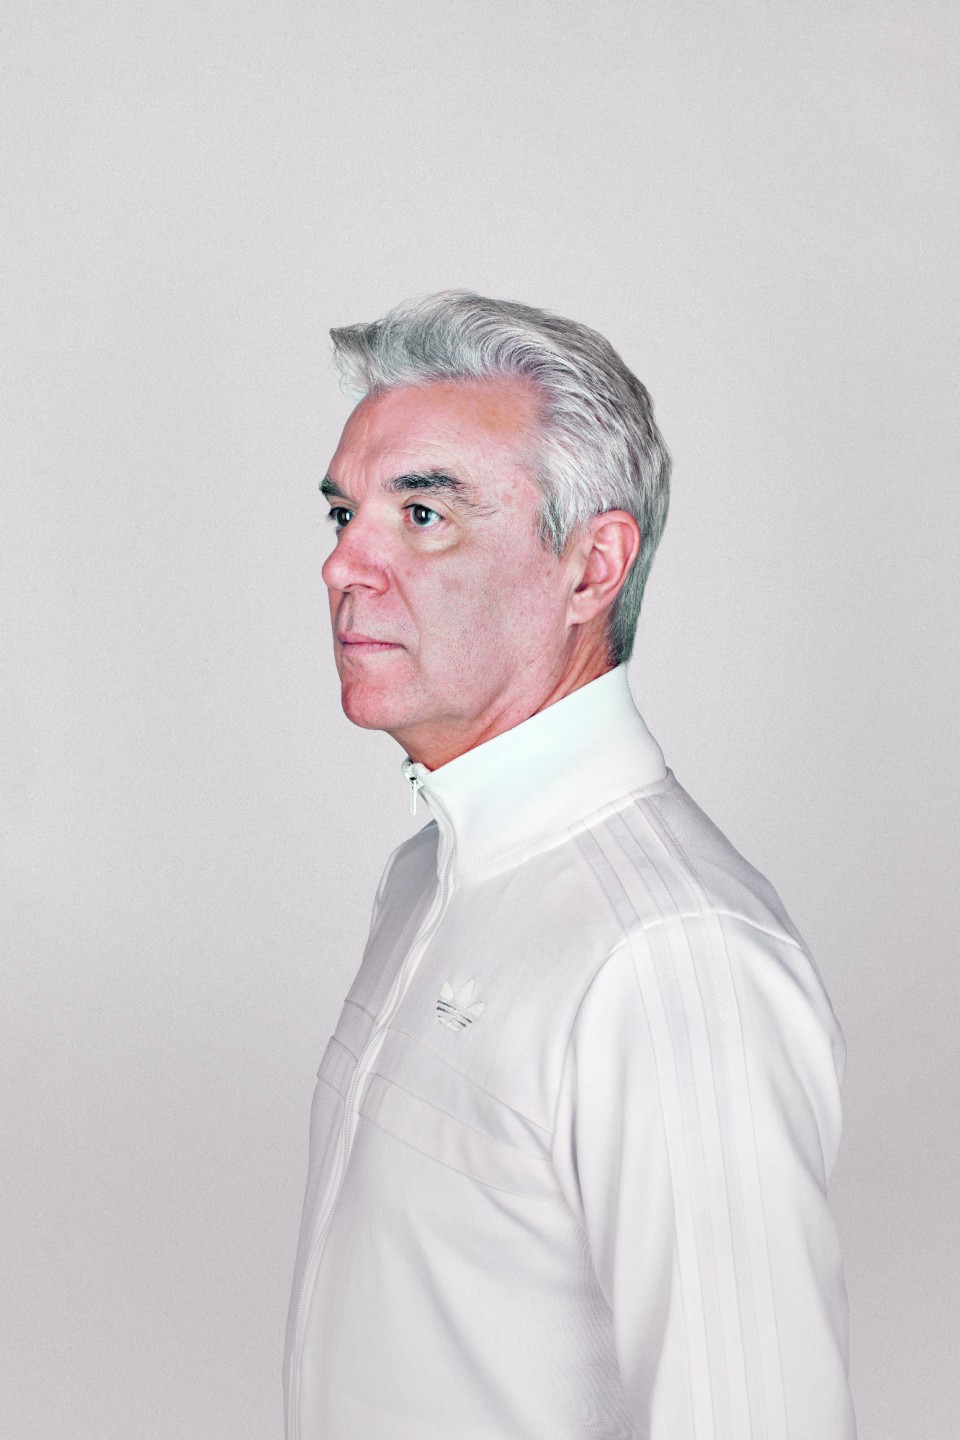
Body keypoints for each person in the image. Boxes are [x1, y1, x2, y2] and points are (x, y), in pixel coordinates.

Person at [283, 291, 857, 1440]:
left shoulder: (670, 958)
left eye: (424, 513)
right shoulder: (426, 875)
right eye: (345, 513)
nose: (345, 562)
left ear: (593, 569)